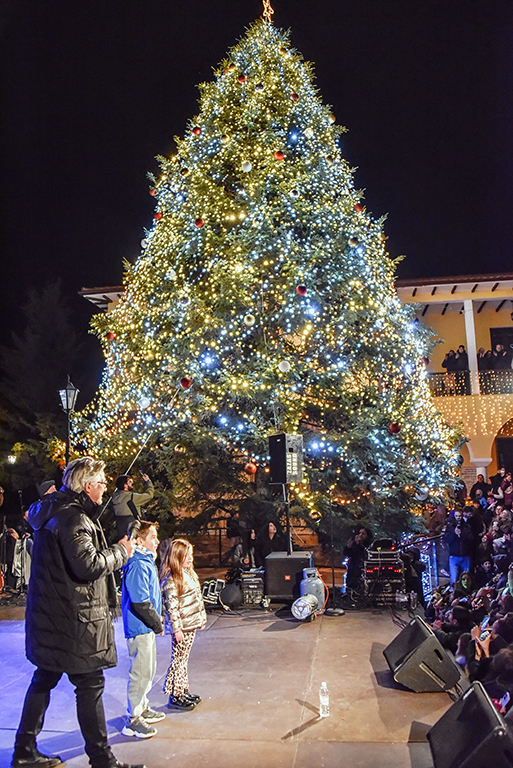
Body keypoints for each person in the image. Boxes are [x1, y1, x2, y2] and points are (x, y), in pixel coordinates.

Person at [11, 456, 144, 768]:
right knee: (90, 685)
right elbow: (88, 566)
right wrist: (121, 552)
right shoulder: (73, 519)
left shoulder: (53, 512)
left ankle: (24, 751)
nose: (104, 489)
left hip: (52, 618)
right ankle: (102, 761)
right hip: (73, 621)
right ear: (88, 487)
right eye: (101, 484)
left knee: (44, 678)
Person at [121, 520, 165, 740]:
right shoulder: (138, 563)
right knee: (140, 671)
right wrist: (157, 623)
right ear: (138, 540)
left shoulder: (146, 560)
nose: (157, 541)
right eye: (152, 537)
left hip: (146, 625)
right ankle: (133, 718)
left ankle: (143, 706)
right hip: (139, 626)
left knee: (148, 669)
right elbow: (139, 601)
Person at [160, 538, 206, 712]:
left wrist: (200, 619)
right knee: (178, 660)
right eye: (186, 556)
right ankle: (175, 694)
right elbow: (172, 607)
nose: (190, 559)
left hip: (190, 624)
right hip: (182, 627)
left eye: (191, 555)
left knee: (183, 660)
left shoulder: (189, 574)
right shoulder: (172, 580)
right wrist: (176, 629)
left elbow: (196, 600)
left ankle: (183, 689)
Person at [112, 473, 154, 540]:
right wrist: (148, 482)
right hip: (133, 528)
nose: (132, 482)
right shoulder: (131, 497)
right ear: (125, 485)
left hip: (120, 530)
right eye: (129, 481)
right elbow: (149, 495)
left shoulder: (114, 497)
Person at [443, 508, 474, 586]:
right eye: (456, 516)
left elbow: (470, 539)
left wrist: (461, 535)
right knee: (453, 579)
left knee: (467, 579)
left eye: (460, 516)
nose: (458, 518)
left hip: (465, 555)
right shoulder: (450, 527)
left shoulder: (467, 526)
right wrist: (454, 534)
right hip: (454, 555)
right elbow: (447, 540)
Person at [343, 525, 372, 591]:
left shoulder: (367, 545)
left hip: (362, 571)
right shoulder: (355, 543)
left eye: (363, 534)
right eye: (359, 533)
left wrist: (358, 544)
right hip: (352, 569)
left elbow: (362, 554)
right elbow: (347, 553)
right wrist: (348, 546)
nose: (360, 535)